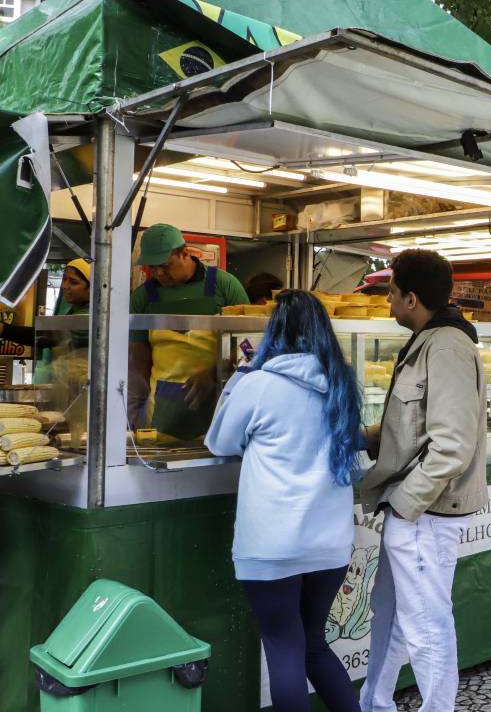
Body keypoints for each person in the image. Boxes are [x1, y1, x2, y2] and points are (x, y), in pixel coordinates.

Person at [204, 290, 361, 712]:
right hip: (330, 544)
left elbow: (218, 442)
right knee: (313, 646)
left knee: (283, 649)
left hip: (271, 546)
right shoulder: (341, 384)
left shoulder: (258, 385)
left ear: (274, 331)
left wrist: (238, 377)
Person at [359, 249, 488, 712]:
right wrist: (359, 436)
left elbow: (451, 444)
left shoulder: (447, 347)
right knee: (392, 618)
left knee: (426, 625)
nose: (388, 303)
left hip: (426, 512)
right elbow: (412, 428)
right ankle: (375, 703)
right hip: (415, 511)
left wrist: (405, 504)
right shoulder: (428, 341)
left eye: (392, 294)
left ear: (412, 298)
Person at [128, 224, 250, 441]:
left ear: (185, 253)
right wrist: (133, 409)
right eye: (152, 267)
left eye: (165, 266)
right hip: (161, 411)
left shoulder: (225, 285)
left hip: (219, 401)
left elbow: (248, 347)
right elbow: (138, 359)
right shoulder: (142, 298)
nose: (158, 273)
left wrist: (214, 373)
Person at [0, 258, 92, 349]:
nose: (64, 286)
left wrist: (3, 329)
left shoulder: (89, 317)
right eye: (64, 279)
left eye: (73, 282)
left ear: (90, 289)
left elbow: (48, 335)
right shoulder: (74, 310)